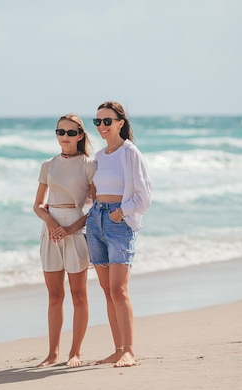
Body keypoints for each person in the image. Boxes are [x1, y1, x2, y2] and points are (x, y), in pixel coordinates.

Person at [86, 101, 153, 368]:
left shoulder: (130, 152)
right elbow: (91, 190)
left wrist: (119, 213)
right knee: (106, 290)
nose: (102, 126)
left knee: (119, 289)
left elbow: (144, 196)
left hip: (118, 222)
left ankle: (129, 351)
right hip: (96, 222)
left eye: (107, 121)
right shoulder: (100, 156)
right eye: (98, 122)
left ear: (120, 123)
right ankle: (117, 349)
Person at [33, 113, 96, 367]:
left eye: (71, 133)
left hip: (75, 230)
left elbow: (97, 206)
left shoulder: (88, 165)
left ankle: (76, 352)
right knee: (54, 295)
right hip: (51, 231)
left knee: (78, 294)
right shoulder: (48, 165)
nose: (65, 137)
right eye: (61, 132)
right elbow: (37, 205)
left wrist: (70, 228)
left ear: (80, 135)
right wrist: (52, 223)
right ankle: (52, 353)